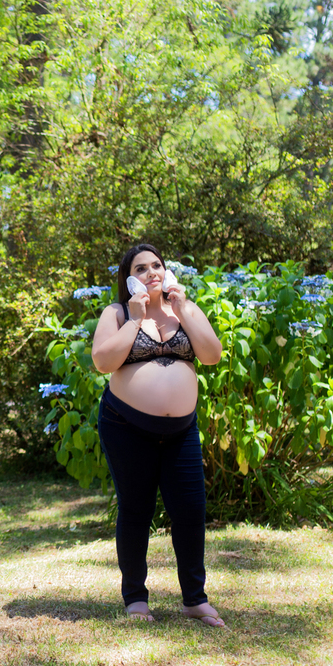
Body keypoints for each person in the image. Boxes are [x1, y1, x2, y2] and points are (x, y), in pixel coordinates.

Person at [90, 243, 225, 627]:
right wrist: (135, 320)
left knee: (190, 510)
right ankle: (135, 599)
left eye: (157, 266)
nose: (152, 272)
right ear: (128, 277)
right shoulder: (116, 313)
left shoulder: (185, 309)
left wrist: (182, 308)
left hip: (181, 430)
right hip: (125, 426)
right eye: (141, 268)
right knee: (136, 510)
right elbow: (103, 361)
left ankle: (194, 599)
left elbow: (211, 354)